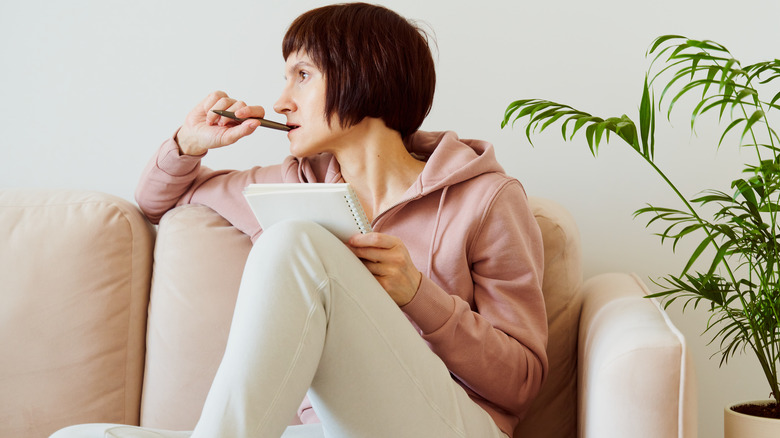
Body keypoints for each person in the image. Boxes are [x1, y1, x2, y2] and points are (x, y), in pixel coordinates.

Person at [51, 3, 547, 438]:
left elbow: (521, 383)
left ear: (364, 74)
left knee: (295, 241)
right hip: (315, 431)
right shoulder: (291, 182)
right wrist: (189, 144)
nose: (282, 100)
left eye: (302, 75)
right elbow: (158, 202)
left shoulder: (486, 198)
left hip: (449, 427)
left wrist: (419, 294)